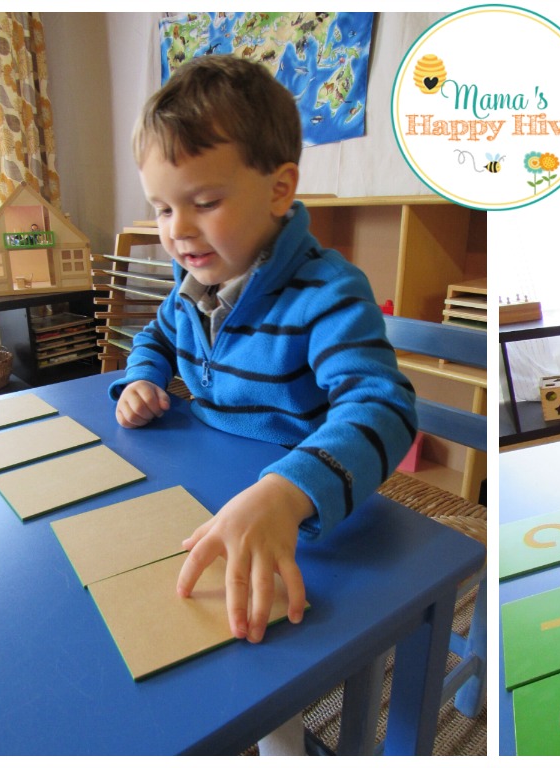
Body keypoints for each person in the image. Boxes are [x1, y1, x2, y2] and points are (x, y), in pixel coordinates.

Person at [110, 55, 417, 752]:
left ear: (280, 190)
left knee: (252, 633)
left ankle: (281, 741)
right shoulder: (190, 285)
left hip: (304, 503)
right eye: (162, 208)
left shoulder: (328, 292)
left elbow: (386, 408)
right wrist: (141, 379)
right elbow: (154, 336)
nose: (178, 230)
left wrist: (286, 493)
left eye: (204, 202)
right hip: (204, 477)